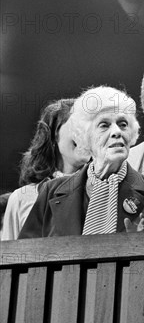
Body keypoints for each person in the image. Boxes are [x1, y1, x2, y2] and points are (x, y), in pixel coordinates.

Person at [19, 87, 144, 238]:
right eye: (104, 125)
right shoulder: (50, 192)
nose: (117, 131)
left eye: (123, 124)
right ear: (85, 136)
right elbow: (26, 254)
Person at [2, 99, 90, 240]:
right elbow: (7, 257)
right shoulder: (21, 199)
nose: (86, 135)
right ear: (54, 133)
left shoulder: (101, 191)